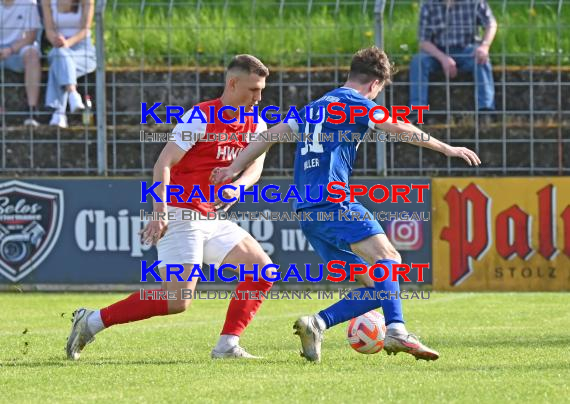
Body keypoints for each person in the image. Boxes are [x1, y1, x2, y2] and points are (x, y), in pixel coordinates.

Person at [211, 46, 481, 362]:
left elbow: (268, 137)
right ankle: (396, 331)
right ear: (375, 84)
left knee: (378, 285)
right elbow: (399, 128)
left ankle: (317, 323)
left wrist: (233, 168)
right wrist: (445, 147)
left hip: (307, 213)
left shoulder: (313, 108)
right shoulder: (357, 103)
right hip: (333, 202)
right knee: (389, 258)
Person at [66, 54, 275, 360]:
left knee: (261, 270)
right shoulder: (201, 117)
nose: (259, 97)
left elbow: (255, 167)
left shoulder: (256, 122)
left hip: (211, 217)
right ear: (233, 83)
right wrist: (159, 213)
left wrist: (237, 186)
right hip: (180, 214)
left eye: (261, 90)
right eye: (253, 89)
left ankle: (227, 345)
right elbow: (163, 163)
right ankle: (92, 320)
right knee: (177, 300)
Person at [409, 0, 497, 120]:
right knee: (418, 61)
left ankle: (485, 110)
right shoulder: (429, 5)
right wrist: (443, 58)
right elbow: (424, 41)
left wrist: (485, 46)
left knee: (482, 60)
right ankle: (417, 110)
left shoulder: (474, 2)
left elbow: (491, 24)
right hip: (437, 52)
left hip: (467, 49)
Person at [42, 0, 96, 128]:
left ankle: (59, 113)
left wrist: (67, 44)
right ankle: (72, 93)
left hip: (82, 49)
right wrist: (57, 41)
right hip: (58, 47)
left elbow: (85, 30)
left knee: (59, 63)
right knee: (60, 56)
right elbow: (49, 30)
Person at [0, 0, 42, 126]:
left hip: (18, 50)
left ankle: (32, 111)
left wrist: (10, 49)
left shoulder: (29, 3)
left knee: (32, 54)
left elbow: (30, 37)